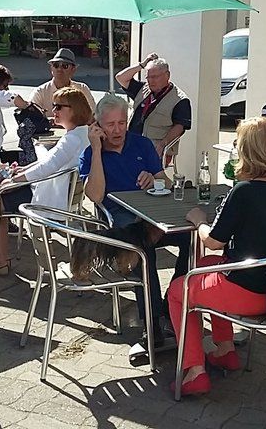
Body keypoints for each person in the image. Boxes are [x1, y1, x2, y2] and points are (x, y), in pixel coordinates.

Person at [168, 117, 266, 396]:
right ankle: (225, 349)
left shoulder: (245, 191)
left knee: (178, 291)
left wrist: (199, 221)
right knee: (203, 265)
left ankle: (194, 371)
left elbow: (214, 242)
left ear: (249, 151)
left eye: (238, 145)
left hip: (252, 293)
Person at [80, 94, 185, 355]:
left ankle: (173, 302)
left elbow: (165, 183)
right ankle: (152, 324)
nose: (117, 130)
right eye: (110, 125)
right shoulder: (90, 153)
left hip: (151, 219)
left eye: (122, 123)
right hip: (119, 226)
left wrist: (154, 179)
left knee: (190, 238)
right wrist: (96, 150)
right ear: (98, 126)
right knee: (143, 249)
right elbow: (95, 195)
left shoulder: (142, 144)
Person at [0, 87, 91, 276]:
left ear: (75, 109)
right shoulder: (82, 134)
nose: (54, 110)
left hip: (47, 199)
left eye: (59, 107)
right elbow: (49, 162)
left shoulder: (72, 139)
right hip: (57, 194)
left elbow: (48, 167)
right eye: (53, 106)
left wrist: (14, 180)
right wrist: (23, 170)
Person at [115, 53, 191, 160]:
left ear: (167, 75)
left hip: (154, 149)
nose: (151, 81)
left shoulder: (179, 99)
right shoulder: (143, 89)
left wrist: (163, 144)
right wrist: (142, 64)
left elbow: (179, 126)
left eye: (154, 77)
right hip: (131, 144)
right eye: (148, 77)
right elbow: (120, 78)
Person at [30, 48, 96, 119]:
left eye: (65, 66)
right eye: (56, 65)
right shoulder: (40, 92)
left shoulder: (82, 89)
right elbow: (31, 117)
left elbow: (92, 115)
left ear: (73, 70)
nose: (59, 69)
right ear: (51, 68)